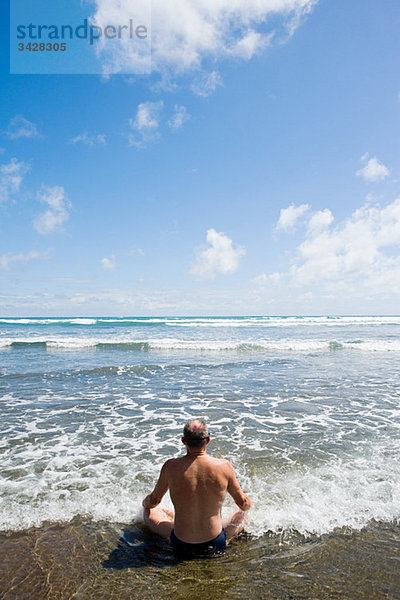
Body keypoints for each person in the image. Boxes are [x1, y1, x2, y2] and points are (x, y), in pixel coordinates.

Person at [142, 419, 252, 558]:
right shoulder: (224, 466)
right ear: (207, 440)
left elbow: (154, 501)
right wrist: (249, 503)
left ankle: (174, 519)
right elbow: (242, 503)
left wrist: (145, 504)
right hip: (216, 543)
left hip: (181, 544)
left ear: (183, 441)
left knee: (150, 512)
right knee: (244, 514)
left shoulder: (171, 467)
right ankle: (226, 538)